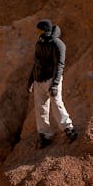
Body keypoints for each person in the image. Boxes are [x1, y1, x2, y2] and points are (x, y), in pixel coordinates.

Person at [27, 19, 78, 148]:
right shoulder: (40, 42)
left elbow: (60, 65)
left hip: (51, 79)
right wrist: (31, 80)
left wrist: (55, 84)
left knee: (57, 104)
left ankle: (68, 129)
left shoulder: (58, 44)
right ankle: (45, 135)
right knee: (40, 108)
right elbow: (36, 63)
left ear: (45, 30)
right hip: (39, 80)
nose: (37, 32)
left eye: (39, 30)